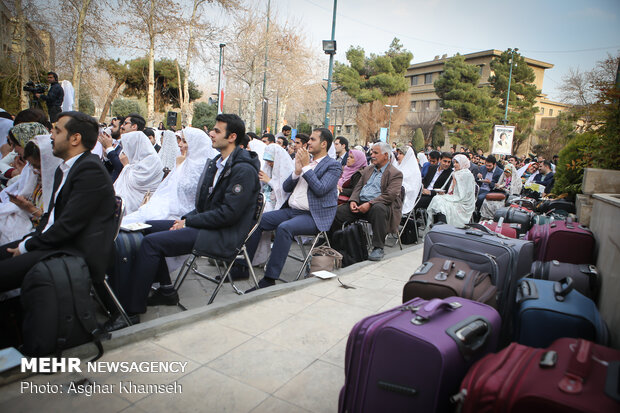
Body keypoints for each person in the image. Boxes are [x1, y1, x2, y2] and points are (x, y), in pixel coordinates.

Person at [108, 114, 260, 330]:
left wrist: (189, 223)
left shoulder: (243, 170)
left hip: (222, 234)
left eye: (217, 131)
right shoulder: (219, 162)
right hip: (209, 225)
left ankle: (132, 311)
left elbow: (228, 215)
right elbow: (205, 204)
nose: (211, 134)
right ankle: (167, 291)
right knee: (145, 228)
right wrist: (187, 219)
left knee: (151, 243)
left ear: (232, 137)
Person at [0, 111, 116, 293]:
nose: (51, 136)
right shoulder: (65, 169)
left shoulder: (90, 171)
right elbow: (50, 217)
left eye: (57, 131)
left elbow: (68, 226)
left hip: (73, 251)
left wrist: (26, 246)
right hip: (57, 244)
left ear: (75, 138)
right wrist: (30, 240)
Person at [244, 128, 342, 290]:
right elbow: (286, 187)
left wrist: (305, 168)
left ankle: (269, 279)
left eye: (313, 139)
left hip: (313, 216)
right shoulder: (306, 162)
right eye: (309, 139)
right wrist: (296, 171)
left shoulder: (333, 166)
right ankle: (242, 265)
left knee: (284, 228)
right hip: (292, 211)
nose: (308, 142)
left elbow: (320, 189)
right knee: (259, 219)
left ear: (324, 144)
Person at [122, 127, 217, 225]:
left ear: (197, 145)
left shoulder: (204, 168)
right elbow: (169, 188)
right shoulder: (184, 163)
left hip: (183, 215)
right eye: (180, 140)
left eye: (184, 141)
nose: (180, 144)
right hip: (167, 206)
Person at [332, 142, 403, 261]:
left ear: (386, 155)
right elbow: (358, 188)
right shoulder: (368, 169)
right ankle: (334, 244)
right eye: (372, 152)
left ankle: (378, 247)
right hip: (360, 204)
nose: (372, 155)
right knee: (338, 212)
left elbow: (390, 195)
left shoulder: (395, 173)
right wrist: (353, 200)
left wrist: (370, 204)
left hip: (378, 205)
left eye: (376, 153)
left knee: (378, 209)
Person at [0, 124, 61, 244]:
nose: (34, 170)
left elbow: (53, 222)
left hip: (42, 236)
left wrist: (28, 207)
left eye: (38, 167)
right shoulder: (34, 176)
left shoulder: (60, 185)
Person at [252, 143, 295, 266]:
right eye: (267, 161)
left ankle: (260, 257)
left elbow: (284, 191)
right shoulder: (268, 168)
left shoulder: (287, 169)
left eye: (271, 161)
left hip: (279, 205)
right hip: (266, 200)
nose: (269, 164)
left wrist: (269, 181)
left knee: (261, 217)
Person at [113, 130, 163, 215]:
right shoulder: (136, 158)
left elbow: (136, 182)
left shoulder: (152, 160)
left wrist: (126, 166)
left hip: (140, 200)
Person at [426, 154, 476, 228]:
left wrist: (455, 184)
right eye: (454, 162)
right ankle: (441, 221)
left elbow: (464, 194)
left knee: (439, 200)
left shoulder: (467, 174)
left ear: (462, 163)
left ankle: (442, 222)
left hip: (463, 202)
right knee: (437, 198)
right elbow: (451, 190)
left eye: (457, 163)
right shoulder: (455, 173)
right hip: (454, 197)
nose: (455, 165)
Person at [393, 146, 422, 215]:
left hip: (404, 197)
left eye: (401, 154)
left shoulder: (414, 171)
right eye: (398, 153)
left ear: (407, 156)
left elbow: (412, 189)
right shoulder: (397, 166)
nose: (398, 156)